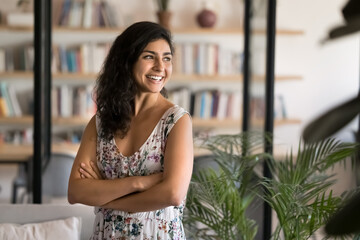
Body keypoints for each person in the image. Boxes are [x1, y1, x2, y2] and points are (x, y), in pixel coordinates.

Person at [67, 21, 193, 239]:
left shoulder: (176, 121)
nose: (160, 67)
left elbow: (172, 194)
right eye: (149, 56)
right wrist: (139, 183)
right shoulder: (100, 122)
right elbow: (76, 192)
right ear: (127, 61)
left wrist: (107, 199)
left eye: (167, 58)